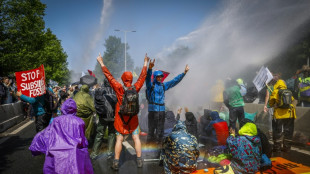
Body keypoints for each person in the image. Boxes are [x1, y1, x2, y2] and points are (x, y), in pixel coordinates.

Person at [97, 53, 149, 170]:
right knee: (136, 138)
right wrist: (145, 63)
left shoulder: (119, 88)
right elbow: (142, 77)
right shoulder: (136, 87)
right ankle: (139, 161)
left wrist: (101, 62)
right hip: (133, 119)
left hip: (120, 120)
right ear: (131, 79)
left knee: (119, 139)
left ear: (122, 78)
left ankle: (116, 162)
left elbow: (109, 76)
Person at [29, 99, 93, 174]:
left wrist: (36, 147)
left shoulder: (56, 121)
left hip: (57, 155)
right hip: (75, 155)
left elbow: (46, 134)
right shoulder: (79, 121)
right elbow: (83, 141)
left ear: (63, 108)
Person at [146, 59, 189, 143]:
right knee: (151, 131)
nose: (160, 78)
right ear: (155, 77)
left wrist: (184, 73)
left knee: (160, 132)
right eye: (158, 76)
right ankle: (149, 149)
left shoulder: (163, 85)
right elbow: (147, 78)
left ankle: (159, 150)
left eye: (161, 76)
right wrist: (150, 69)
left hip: (161, 112)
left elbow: (174, 81)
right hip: (152, 111)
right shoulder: (150, 85)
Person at [90, 79, 117, 159]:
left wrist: (98, 113)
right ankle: (110, 153)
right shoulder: (114, 91)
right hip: (113, 116)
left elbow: (95, 103)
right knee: (112, 134)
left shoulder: (99, 90)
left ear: (104, 83)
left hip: (103, 116)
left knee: (99, 134)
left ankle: (94, 154)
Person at [269, 79, 296, 152]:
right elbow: (292, 100)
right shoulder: (288, 91)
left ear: (277, 84)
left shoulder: (275, 91)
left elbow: (270, 104)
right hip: (289, 114)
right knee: (288, 131)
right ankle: (287, 148)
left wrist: (275, 103)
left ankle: (277, 148)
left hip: (278, 115)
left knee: (277, 131)